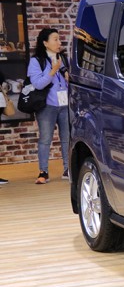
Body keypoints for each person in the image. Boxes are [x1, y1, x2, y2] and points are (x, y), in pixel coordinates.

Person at [28, 27, 70, 184]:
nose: (59, 43)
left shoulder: (63, 58)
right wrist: (53, 70)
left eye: (59, 39)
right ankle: (43, 172)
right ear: (45, 43)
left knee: (67, 138)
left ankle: (68, 170)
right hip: (47, 106)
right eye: (55, 39)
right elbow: (38, 84)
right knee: (45, 139)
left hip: (65, 105)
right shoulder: (36, 61)